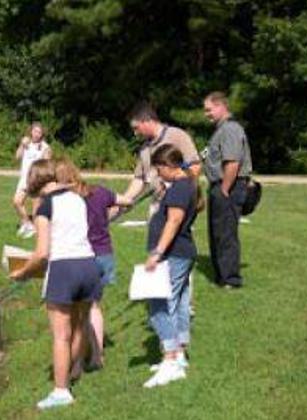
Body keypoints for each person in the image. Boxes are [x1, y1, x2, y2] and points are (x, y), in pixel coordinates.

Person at [10, 158, 101, 410]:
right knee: (81, 324)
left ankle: (61, 391)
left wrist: (23, 272)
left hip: (64, 269)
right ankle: (73, 372)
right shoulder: (77, 198)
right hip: (89, 265)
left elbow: (41, 253)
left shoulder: (44, 207)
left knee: (61, 335)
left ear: (34, 181)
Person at [55, 158, 132, 369]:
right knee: (94, 307)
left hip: (81, 256)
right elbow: (126, 201)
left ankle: (77, 362)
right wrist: (112, 213)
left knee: (77, 312)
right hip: (104, 255)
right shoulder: (99, 191)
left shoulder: (65, 199)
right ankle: (97, 356)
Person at [141, 144, 203, 388]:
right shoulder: (185, 184)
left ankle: (171, 359)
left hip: (174, 254)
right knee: (179, 303)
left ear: (169, 166)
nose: (158, 174)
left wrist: (157, 252)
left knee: (160, 304)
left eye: (159, 168)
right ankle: (179, 354)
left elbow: (174, 220)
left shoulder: (179, 188)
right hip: (182, 253)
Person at [203, 91, 254, 289]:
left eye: (209, 110)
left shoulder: (230, 129)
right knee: (218, 233)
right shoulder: (220, 129)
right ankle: (221, 276)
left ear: (221, 106)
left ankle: (230, 279)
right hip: (222, 186)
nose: (206, 114)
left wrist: (224, 189)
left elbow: (232, 162)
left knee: (225, 234)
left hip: (228, 187)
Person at [119, 103, 201, 215]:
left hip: (178, 203)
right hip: (157, 205)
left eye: (136, 128)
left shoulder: (177, 136)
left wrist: (173, 184)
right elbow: (140, 179)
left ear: (147, 121)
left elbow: (195, 167)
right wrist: (125, 200)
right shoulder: (144, 148)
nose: (135, 133)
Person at [13, 122, 51, 238]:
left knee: (35, 210)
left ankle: (35, 230)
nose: (36, 134)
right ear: (31, 131)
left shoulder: (45, 147)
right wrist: (21, 145)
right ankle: (26, 223)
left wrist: (42, 181)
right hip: (24, 179)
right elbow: (17, 157)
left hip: (36, 180)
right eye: (35, 131)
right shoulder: (26, 142)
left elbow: (46, 166)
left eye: (39, 132)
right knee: (17, 202)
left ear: (42, 134)